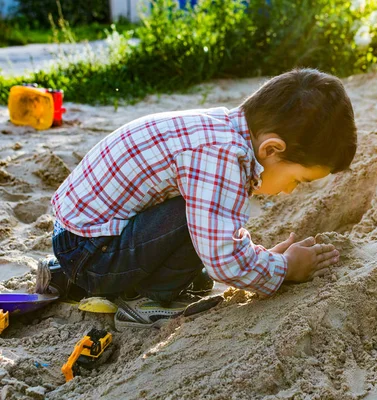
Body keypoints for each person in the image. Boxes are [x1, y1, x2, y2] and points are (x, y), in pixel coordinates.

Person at [39, 68, 357, 329]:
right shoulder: (221, 158)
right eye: (297, 180)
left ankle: (66, 277)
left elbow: (218, 235)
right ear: (271, 150)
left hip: (79, 239)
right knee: (198, 226)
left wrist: (259, 257)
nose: (290, 190)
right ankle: (144, 300)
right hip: (93, 253)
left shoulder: (222, 131)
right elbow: (225, 261)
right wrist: (283, 267)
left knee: (198, 277)